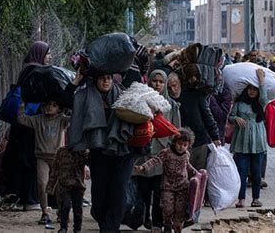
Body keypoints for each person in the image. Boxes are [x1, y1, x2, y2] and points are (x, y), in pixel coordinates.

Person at [68, 73, 136, 232]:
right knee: (99, 197)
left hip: (123, 152)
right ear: (95, 79)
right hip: (99, 153)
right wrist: (76, 81)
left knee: (119, 193)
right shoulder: (85, 97)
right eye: (102, 78)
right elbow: (65, 100)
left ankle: (110, 229)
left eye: (109, 78)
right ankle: (106, 225)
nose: (106, 81)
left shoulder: (124, 96)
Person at [2, 41, 52, 210]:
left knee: (18, 159)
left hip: (21, 121)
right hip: (29, 122)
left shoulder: (27, 68)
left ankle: (16, 198)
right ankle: (30, 200)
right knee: (30, 159)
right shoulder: (35, 70)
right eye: (47, 54)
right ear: (40, 54)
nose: (49, 57)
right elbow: (36, 96)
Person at [135, 69, 181, 229]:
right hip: (143, 154)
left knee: (160, 192)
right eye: (155, 81)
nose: (158, 85)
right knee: (143, 190)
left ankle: (157, 223)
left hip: (162, 156)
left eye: (161, 82)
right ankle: (144, 217)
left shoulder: (172, 106)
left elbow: (176, 130)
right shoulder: (140, 102)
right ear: (149, 82)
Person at [17, 100, 70, 227]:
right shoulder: (38, 119)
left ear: (59, 109)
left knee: (59, 186)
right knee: (42, 184)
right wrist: (22, 103)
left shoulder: (62, 120)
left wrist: (72, 102)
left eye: (54, 105)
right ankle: (45, 212)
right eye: (48, 104)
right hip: (41, 157)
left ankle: (62, 212)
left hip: (58, 158)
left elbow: (75, 119)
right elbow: (22, 119)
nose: (49, 107)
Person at [134, 128, 198, 233]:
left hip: (182, 187)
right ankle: (167, 224)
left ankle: (178, 228)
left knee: (179, 211)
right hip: (168, 187)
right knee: (167, 209)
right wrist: (143, 167)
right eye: (179, 144)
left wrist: (197, 174)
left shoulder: (186, 155)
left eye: (185, 145)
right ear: (174, 142)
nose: (181, 147)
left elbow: (188, 167)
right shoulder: (166, 152)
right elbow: (155, 160)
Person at [228, 69, 269, 208]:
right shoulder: (239, 104)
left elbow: (264, 97)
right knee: (241, 171)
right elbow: (230, 117)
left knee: (257, 173)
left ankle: (256, 198)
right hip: (241, 141)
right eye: (250, 89)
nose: (252, 92)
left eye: (255, 90)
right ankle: (241, 199)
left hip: (258, 141)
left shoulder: (261, 104)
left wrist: (261, 80)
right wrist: (236, 118)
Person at [47, 147, 89, 233]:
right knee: (65, 206)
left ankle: (77, 229)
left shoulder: (82, 151)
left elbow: (89, 161)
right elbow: (55, 168)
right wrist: (50, 186)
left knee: (78, 209)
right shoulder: (61, 151)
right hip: (64, 184)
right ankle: (63, 227)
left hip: (78, 185)